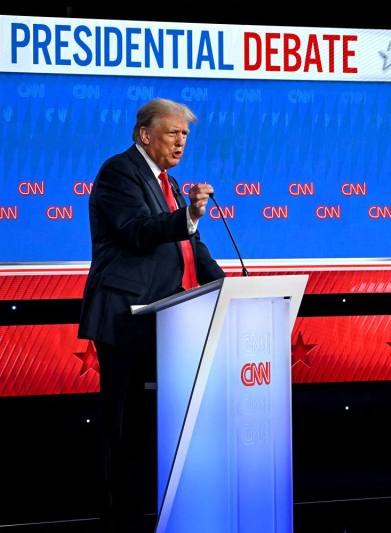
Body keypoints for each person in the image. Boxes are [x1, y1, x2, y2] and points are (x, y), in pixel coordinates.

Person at [78, 98, 225, 532]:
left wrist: (226, 285)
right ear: (145, 134)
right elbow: (137, 232)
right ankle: (115, 511)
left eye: (185, 135)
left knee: (149, 421)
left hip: (162, 321)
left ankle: (147, 504)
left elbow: (188, 248)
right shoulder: (119, 173)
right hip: (125, 316)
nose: (181, 141)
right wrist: (188, 217)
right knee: (121, 421)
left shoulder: (169, 183)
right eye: (173, 132)